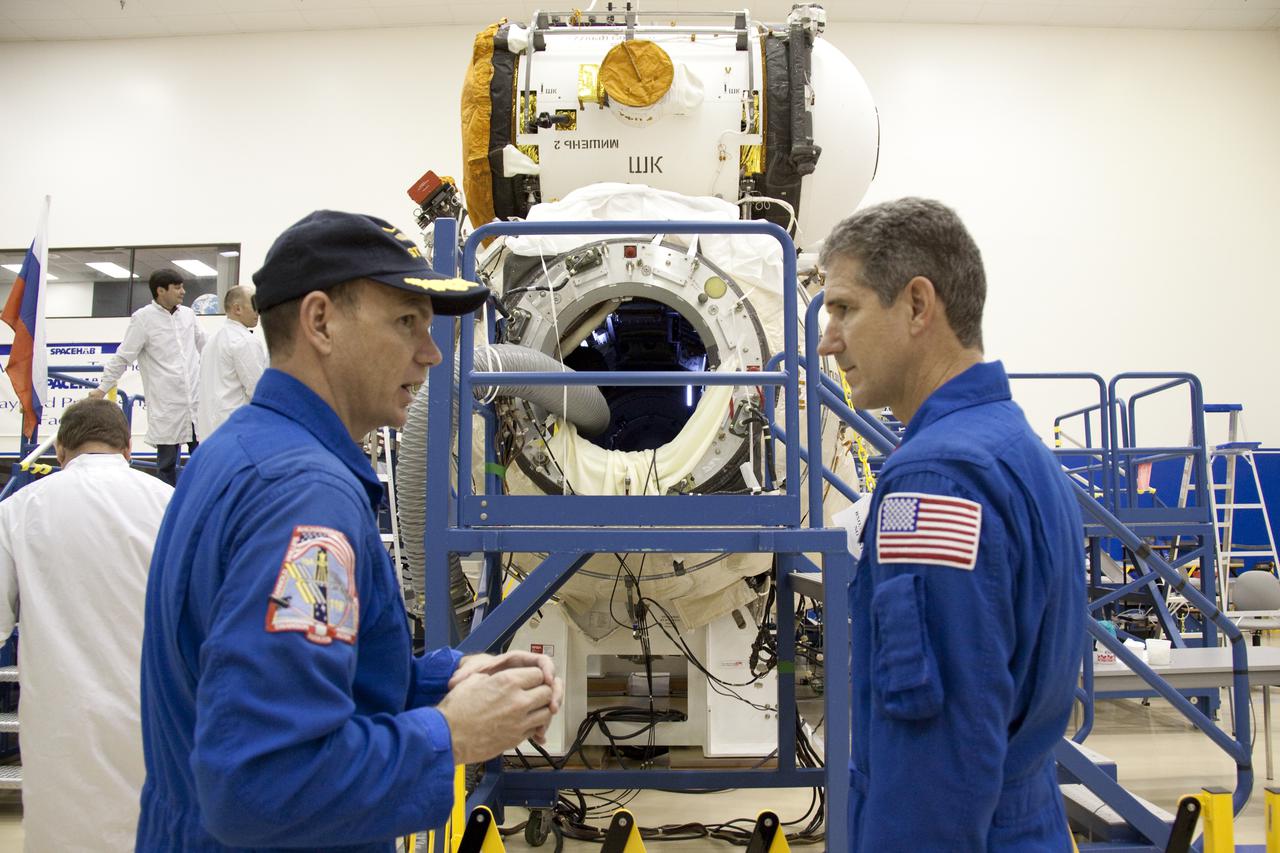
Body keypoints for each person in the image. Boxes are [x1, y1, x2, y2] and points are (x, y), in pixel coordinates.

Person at [136, 210, 562, 851]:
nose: (432, 352)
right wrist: (450, 733)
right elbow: (262, 784)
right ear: (320, 322)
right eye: (405, 322)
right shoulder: (304, 501)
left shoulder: (241, 450)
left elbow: (277, 679)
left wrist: (442, 680)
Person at [816, 198, 1084, 851]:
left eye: (844, 308)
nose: (827, 339)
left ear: (916, 305)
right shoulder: (1017, 451)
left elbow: (932, 763)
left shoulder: (935, 480)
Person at [0, 398, 174, 851]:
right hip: (152, 723)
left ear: (60, 451)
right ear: (127, 450)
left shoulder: (18, 510)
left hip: (61, 732)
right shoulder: (169, 504)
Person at [90, 267, 205, 485]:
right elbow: (124, 356)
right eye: (177, 287)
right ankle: (163, 510)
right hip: (167, 405)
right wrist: (102, 389)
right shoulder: (143, 319)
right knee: (167, 465)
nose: (183, 292)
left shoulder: (189, 315)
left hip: (195, 402)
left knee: (203, 460)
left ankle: (200, 507)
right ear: (161, 291)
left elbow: (206, 346)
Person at [196, 284, 267, 437]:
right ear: (237, 309)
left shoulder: (213, 341)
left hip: (210, 430)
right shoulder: (245, 341)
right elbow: (257, 390)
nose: (258, 311)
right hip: (237, 431)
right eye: (254, 305)